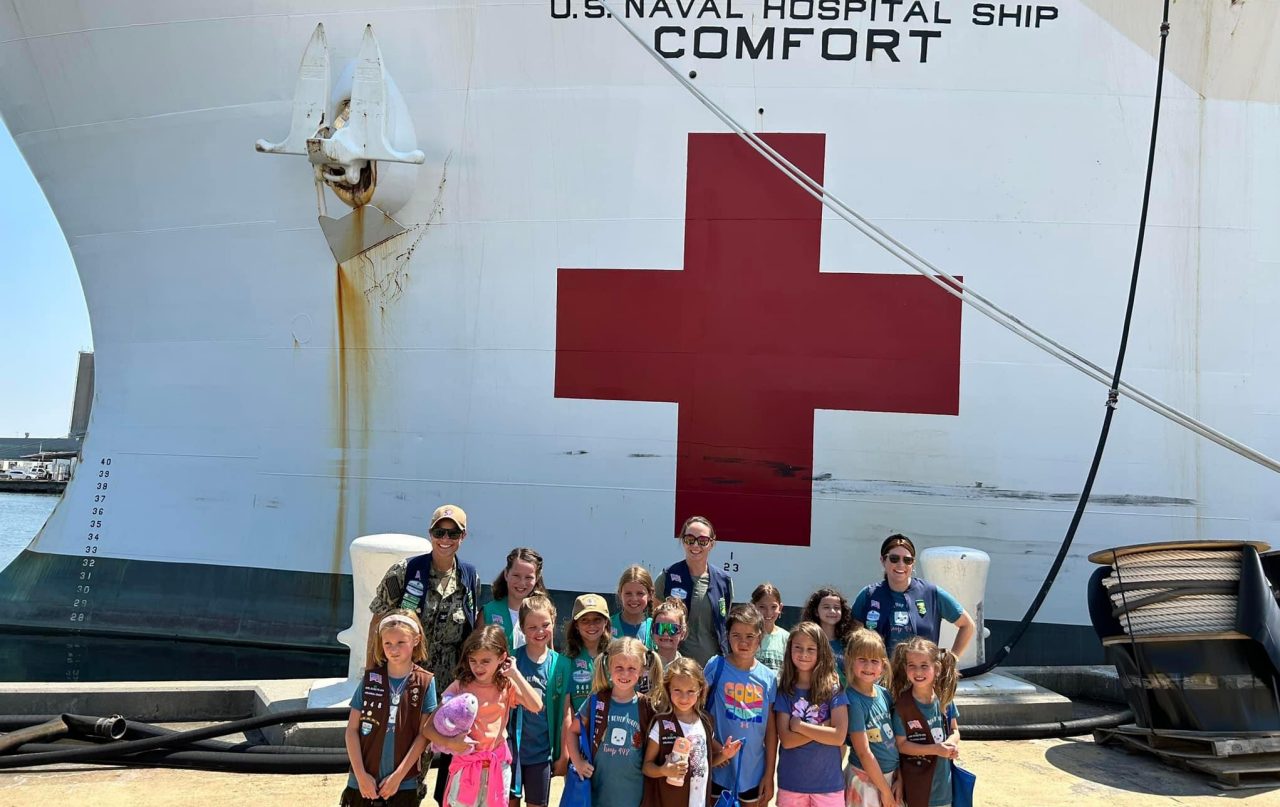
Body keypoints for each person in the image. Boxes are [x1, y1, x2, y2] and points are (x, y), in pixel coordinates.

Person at [370, 504, 483, 806]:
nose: (445, 538)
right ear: (430, 533)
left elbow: (471, 631)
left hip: (450, 685)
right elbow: (377, 620)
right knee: (407, 756)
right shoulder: (406, 571)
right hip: (408, 681)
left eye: (453, 533)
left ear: (463, 535)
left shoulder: (470, 578)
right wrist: (373, 674)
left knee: (449, 762)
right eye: (439, 532)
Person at [426, 625, 542, 807]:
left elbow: (536, 705)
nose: (478, 667)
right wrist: (451, 744)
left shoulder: (507, 685)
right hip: (466, 767)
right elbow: (428, 728)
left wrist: (515, 674)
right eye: (473, 660)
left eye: (485, 661)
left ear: (502, 658)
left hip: (498, 766)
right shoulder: (460, 686)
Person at [342, 610, 437, 807]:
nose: (394, 649)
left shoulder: (425, 682)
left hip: (403, 783)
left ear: (416, 640)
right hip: (363, 781)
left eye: (401, 642)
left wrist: (398, 777)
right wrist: (360, 775)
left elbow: (424, 735)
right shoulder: (370, 680)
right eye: (388, 644)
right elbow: (352, 730)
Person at [564, 637, 666, 807]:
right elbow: (572, 731)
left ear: (642, 670)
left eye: (632, 668)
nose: (625, 674)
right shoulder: (597, 701)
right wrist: (577, 761)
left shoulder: (647, 707)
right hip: (598, 793)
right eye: (619, 667)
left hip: (634, 794)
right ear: (609, 666)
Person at [851, 535, 976, 660]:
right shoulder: (868, 595)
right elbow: (852, 636)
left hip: (919, 676)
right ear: (883, 560)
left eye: (907, 560)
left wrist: (951, 660)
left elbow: (967, 625)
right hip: (879, 676)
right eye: (894, 559)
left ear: (913, 563)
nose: (901, 564)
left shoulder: (931, 593)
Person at [703, 604, 777, 807]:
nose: (743, 642)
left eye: (750, 636)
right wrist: (713, 744)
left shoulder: (768, 678)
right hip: (719, 768)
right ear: (728, 636)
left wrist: (769, 774)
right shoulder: (715, 666)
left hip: (753, 771)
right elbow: (696, 710)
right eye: (736, 635)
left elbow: (771, 730)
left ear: (760, 638)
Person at [643, 656, 743, 807]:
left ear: (700, 690)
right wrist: (664, 770)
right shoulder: (662, 724)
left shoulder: (706, 721)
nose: (684, 697)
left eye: (691, 691)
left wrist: (724, 754)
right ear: (668, 688)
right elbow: (647, 767)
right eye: (677, 690)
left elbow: (704, 763)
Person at [772, 621, 849, 807]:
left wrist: (800, 726)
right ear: (789, 650)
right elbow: (787, 740)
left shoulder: (834, 688)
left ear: (821, 651)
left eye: (810, 649)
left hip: (828, 785)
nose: (804, 654)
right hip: (792, 784)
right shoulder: (785, 691)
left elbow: (839, 736)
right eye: (798, 647)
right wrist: (825, 727)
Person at [890, 637, 960, 807]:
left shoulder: (945, 699)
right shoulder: (902, 706)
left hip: (943, 787)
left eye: (924, 665)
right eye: (912, 665)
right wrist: (936, 749)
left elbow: (955, 730)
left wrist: (950, 745)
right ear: (905, 668)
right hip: (916, 787)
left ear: (936, 668)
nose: (918, 672)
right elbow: (902, 745)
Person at [655, 516, 734, 665]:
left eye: (702, 540)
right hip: (675, 667)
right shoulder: (667, 577)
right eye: (690, 539)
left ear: (712, 543)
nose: (696, 545)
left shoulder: (724, 581)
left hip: (713, 668)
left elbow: (724, 625)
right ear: (683, 541)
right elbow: (656, 624)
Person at [509, 595, 563, 807]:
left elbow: (564, 711)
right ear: (521, 628)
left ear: (554, 621)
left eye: (545, 625)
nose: (539, 632)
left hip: (541, 755)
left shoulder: (560, 663)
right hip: (511, 753)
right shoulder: (512, 660)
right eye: (532, 627)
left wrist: (562, 754)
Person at [553, 593, 613, 764]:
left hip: (610, 737)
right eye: (585, 620)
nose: (591, 625)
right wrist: (568, 751)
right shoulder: (566, 659)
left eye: (597, 619)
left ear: (606, 622)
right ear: (576, 625)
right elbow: (566, 708)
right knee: (579, 788)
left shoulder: (616, 654)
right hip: (579, 739)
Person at [845, 628, 901, 807]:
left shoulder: (884, 694)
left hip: (889, 777)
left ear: (883, 666)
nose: (868, 667)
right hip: (865, 780)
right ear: (850, 661)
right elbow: (863, 751)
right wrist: (885, 791)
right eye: (862, 659)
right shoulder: (853, 699)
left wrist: (899, 776)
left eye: (874, 661)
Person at [481, 547, 547, 651]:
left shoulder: (544, 613)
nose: (522, 583)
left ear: (537, 578)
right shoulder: (488, 612)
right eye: (516, 575)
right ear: (506, 574)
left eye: (528, 577)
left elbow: (549, 654)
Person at [801, 587, 854, 685]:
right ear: (816, 611)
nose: (832, 611)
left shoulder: (848, 643)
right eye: (826, 607)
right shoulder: (807, 641)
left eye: (837, 608)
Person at [612, 564, 656, 648]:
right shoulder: (608, 626)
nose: (634, 598)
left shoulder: (655, 628)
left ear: (650, 595)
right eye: (628, 593)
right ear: (620, 594)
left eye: (640, 593)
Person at [752, 583, 789, 674]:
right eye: (762, 607)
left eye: (773, 607)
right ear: (753, 607)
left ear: (780, 608)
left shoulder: (787, 638)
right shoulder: (748, 635)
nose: (768, 612)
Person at [651, 597, 689, 670]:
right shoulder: (643, 664)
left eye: (672, 629)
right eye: (660, 628)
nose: (665, 634)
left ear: (682, 633)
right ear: (653, 630)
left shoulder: (687, 669)